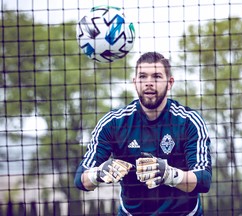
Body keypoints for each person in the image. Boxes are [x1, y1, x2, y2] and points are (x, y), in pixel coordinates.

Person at [74, 52, 212, 215]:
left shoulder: (189, 122)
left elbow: (203, 180)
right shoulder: (113, 123)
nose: (149, 83)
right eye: (143, 76)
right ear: (135, 82)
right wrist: (99, 173)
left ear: (170, 83)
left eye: (157, 76)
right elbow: (81, 179)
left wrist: (169, 174)